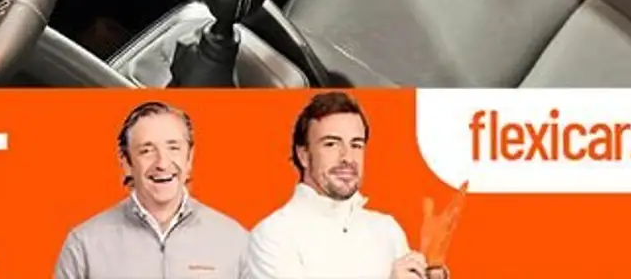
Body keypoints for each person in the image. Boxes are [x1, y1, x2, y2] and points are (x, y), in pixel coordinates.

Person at [245, 92, 445, 279]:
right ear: (303, 155)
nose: (348, 157)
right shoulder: (272, 236)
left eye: (356, 145)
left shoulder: (387, 229)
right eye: (331, 144)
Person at [54, 100, 249, 278]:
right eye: (146, 150)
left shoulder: (235, 240)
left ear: (189, 158)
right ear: (126, 162)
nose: (162, 163)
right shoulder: (84, 245)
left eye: (173, 148)